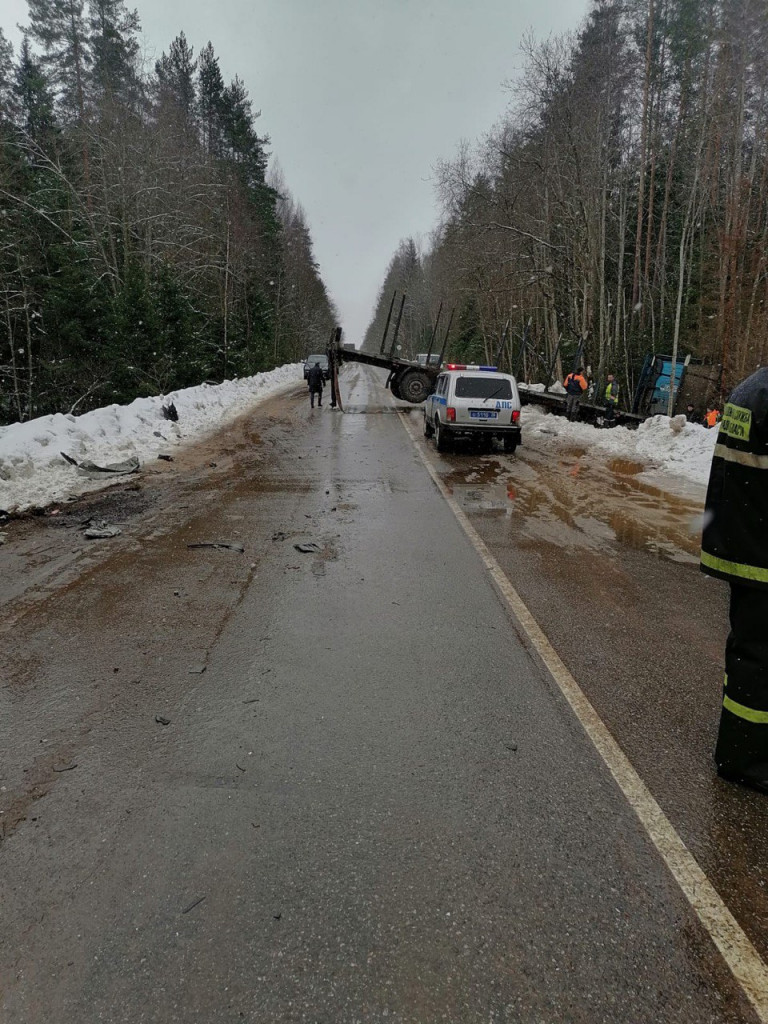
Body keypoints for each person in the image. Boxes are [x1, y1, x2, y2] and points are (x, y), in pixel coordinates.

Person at [701, 369, 768, 793]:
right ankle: (747, 760)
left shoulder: (753, 388)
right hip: (761, 552)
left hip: (744, 544)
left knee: (749, 653)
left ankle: (739, 748)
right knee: (759, 659)